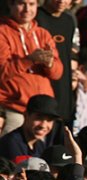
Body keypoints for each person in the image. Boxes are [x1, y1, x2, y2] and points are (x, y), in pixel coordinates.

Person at [0, 0, 63, 135]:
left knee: (40, 156)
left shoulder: (43, 34)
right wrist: (29, 60)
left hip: (43, 113)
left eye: (32, 4)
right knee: (11, 155)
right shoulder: (2, 32)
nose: (27, 9)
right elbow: (2, 72)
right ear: (10, 4)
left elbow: (58, 73)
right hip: (14, 109)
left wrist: (49, 64)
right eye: (22, 4)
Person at [36, 0, 77, 126]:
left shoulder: (69, 21)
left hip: (64, 87)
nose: (61, 1)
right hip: (42, 83)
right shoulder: (36, 17)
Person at [0, 95, 58, 160]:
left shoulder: (40, 145)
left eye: (49, 120)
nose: (43, 125)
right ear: (26, 115)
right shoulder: (11, 143)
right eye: (38, 118)